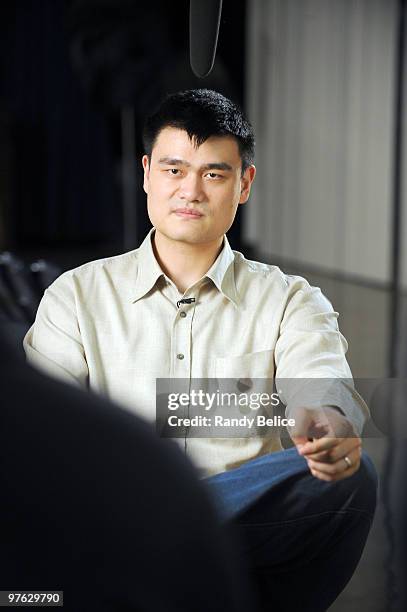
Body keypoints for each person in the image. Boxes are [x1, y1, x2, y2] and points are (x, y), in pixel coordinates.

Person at [24, 89, 378, 611]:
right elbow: (43, 440)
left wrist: (326, 420)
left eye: (213, 173)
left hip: (241, 529)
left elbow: (320, 378)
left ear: (244, 184)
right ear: (146, 173)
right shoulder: (75, 296)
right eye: (173, 170)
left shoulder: (290, 299)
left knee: (350, 478)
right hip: (111, 520)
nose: (190, 190)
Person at [0, 329, 255, 612]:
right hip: (122, 499)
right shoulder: (73, 294)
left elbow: (310, 384)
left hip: (237, 493)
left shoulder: (285, 296)